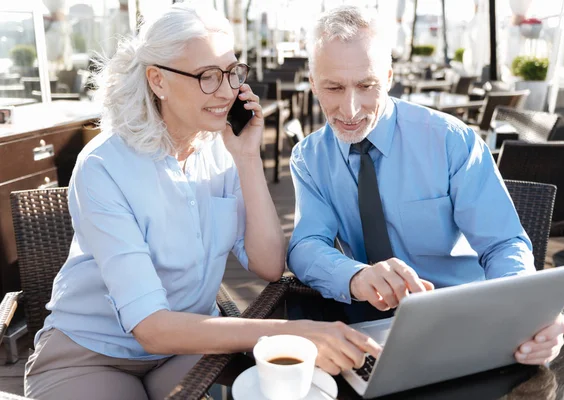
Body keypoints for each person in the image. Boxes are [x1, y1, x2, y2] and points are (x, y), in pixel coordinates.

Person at [24, 4, 383, 399]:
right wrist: (292, 332)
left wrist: (247, 156)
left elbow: (267, 264)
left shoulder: (221, 150)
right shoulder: (102, 168)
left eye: (231, 72)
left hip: (191, 345)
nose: (228, 90)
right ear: (157, 80)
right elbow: (152, 327)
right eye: (207, 77)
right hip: (92, 354)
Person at [287, 5, 564, 366]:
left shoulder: (450, 141)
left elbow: (502, 244)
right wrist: (355, 276)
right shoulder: (309, 158)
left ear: (388, 77)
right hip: (370, 328)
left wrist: (524, 313)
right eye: (333, 87)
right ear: (313, 83)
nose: (351, 109)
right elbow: (306, 244)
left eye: (366, 85)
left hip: (466, 320)